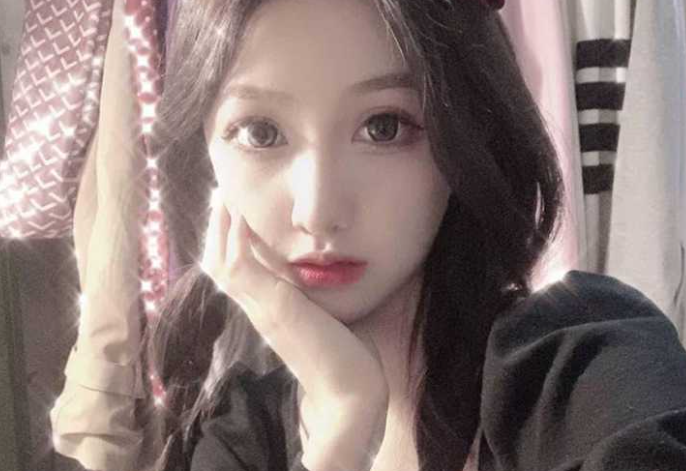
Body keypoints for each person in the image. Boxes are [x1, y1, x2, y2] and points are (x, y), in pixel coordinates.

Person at [139, 0, 686, 470]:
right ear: (205, 154)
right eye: (261, 133)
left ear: (464, 134)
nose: (318, 211)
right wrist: (342, 432)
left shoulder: (582, 372)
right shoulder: (237, 436)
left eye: (384, 127)